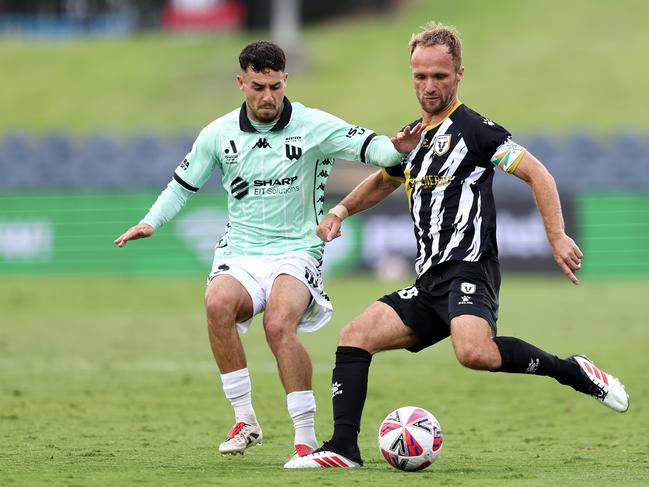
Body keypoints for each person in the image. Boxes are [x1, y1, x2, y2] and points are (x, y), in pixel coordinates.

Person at [285, 22, 629, 469]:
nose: (429, 86)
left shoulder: (477, 131)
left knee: (474, 354)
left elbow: (537, 174)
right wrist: (339, 211)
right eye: (420, 76)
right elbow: (385, 179)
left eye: (439, 77)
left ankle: (572, 370)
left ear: (459, 74)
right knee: (354, 338)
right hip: (430, 281)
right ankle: (343, 449)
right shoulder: (414, 136)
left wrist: (556, 235)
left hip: (470, 269)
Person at [114, 41, 422, 464]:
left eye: (276, 86)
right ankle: (245, 421)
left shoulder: (314, 125)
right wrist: (151, 221)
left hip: (297, 251)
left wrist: (399, 146)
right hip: (240, 252)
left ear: (285, 81)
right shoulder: (218, 134)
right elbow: (182, 185)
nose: (268, 96)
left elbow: (376, 150)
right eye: (258, 86)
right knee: (217, 303)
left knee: (278, 324)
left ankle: (305, 437)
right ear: (241, 82)